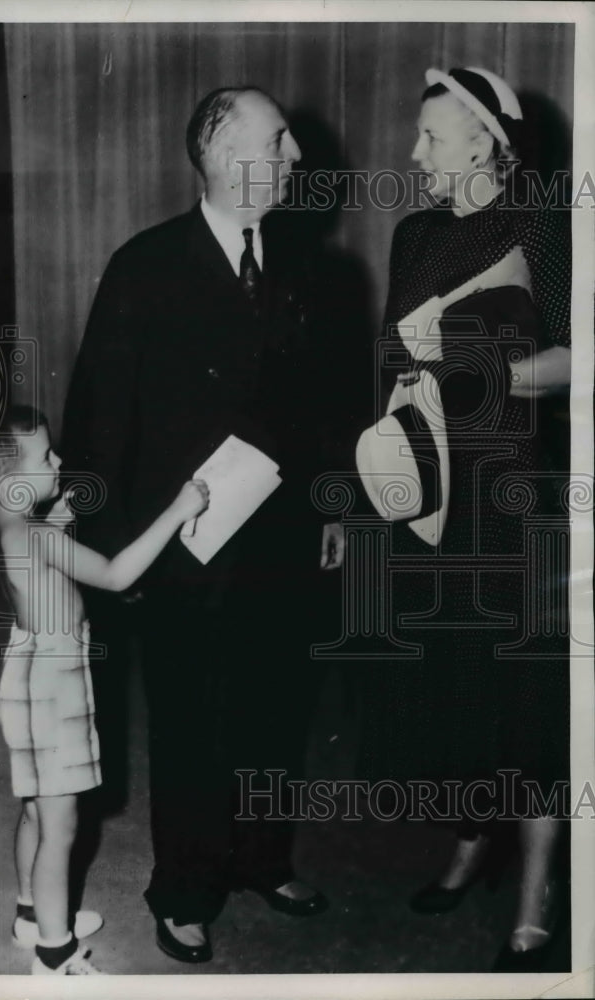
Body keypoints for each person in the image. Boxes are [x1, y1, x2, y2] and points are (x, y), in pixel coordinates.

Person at [61, 87, 345, 964]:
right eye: (279, 140)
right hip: (184, 545)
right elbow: (101, 415)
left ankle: (262, 858)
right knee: (191, 726)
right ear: (223, 158)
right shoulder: (145, 266)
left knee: (273, 711)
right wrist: (107, 545)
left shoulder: (306, 266)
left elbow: (326, 402)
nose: (296, 156)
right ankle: (183, 889)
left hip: (282, 542)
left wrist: (335, 500)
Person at [359, 67, 571, 972]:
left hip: (514, 490)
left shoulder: (544, 224)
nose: (415, 155)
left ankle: (536, 890)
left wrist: (494, 377)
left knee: (525, 695)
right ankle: (469, 836)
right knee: (453, 681)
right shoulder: (413, 235)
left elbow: (579, 359)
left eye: (434, 139)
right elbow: (389, 366)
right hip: (431, 488)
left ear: (485, 140)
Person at [0, 404, 209, 975]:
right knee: (61, 826)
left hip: (27, 671)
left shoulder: (4, 525)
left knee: (38, 809)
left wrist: (54, 521)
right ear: (10, 480)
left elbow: (29, 566)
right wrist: (178, 510)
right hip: (54, 682)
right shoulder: (32, 534)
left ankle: (32, 915)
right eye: (46, 456)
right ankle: (55, 955)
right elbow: (114, 574)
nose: (58, 460)